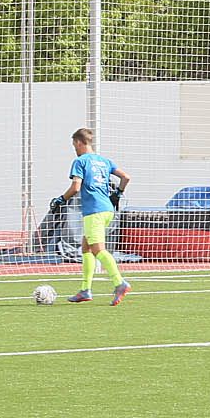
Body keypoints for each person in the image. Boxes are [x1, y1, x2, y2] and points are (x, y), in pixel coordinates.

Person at [62, 127, 132, 305]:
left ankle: (119, 283)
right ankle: (85, 290)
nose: (75, 149)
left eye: (74, 145)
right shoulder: (104, 161)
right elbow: (125, 178)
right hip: (108, 209)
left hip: (93, 210)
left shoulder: (80, 161)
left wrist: (60, 200)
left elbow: (76, 187)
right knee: (86, 248)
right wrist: (118, 193)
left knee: (98, 249)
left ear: (79, 142)